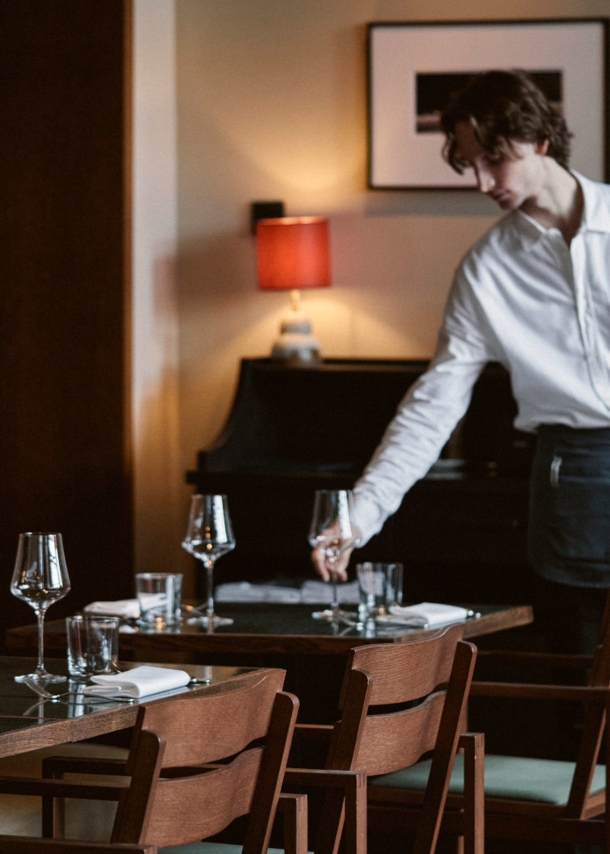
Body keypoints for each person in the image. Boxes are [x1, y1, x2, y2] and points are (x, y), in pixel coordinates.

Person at [312, 69, 610, 656]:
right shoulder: (486, 270)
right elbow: (434, 404)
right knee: (589, 689)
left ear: (540, 140)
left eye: (493, 158)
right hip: (573, 481)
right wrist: (359, 518)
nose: (480, 181)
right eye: (470, 162)